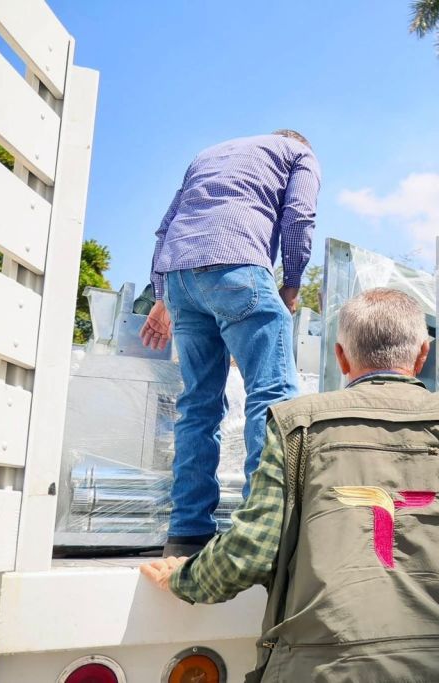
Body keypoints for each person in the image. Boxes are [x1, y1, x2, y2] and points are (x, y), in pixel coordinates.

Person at [141, 288, 439, 682]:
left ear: (340, 356)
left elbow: (248, 553)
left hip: (325, 669)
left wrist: (183, 577)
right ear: (422, 354)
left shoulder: (296, 426)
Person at [139, 130, 321, 557]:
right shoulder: (301, 154)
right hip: (238, 265)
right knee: (272, 395)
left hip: (180, 277)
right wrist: (291, 284)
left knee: (197, 405)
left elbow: (165, 226)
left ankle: (186, 533)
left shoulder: (207, 153)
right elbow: (299, 216)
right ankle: (266, 529)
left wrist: (162, 295)